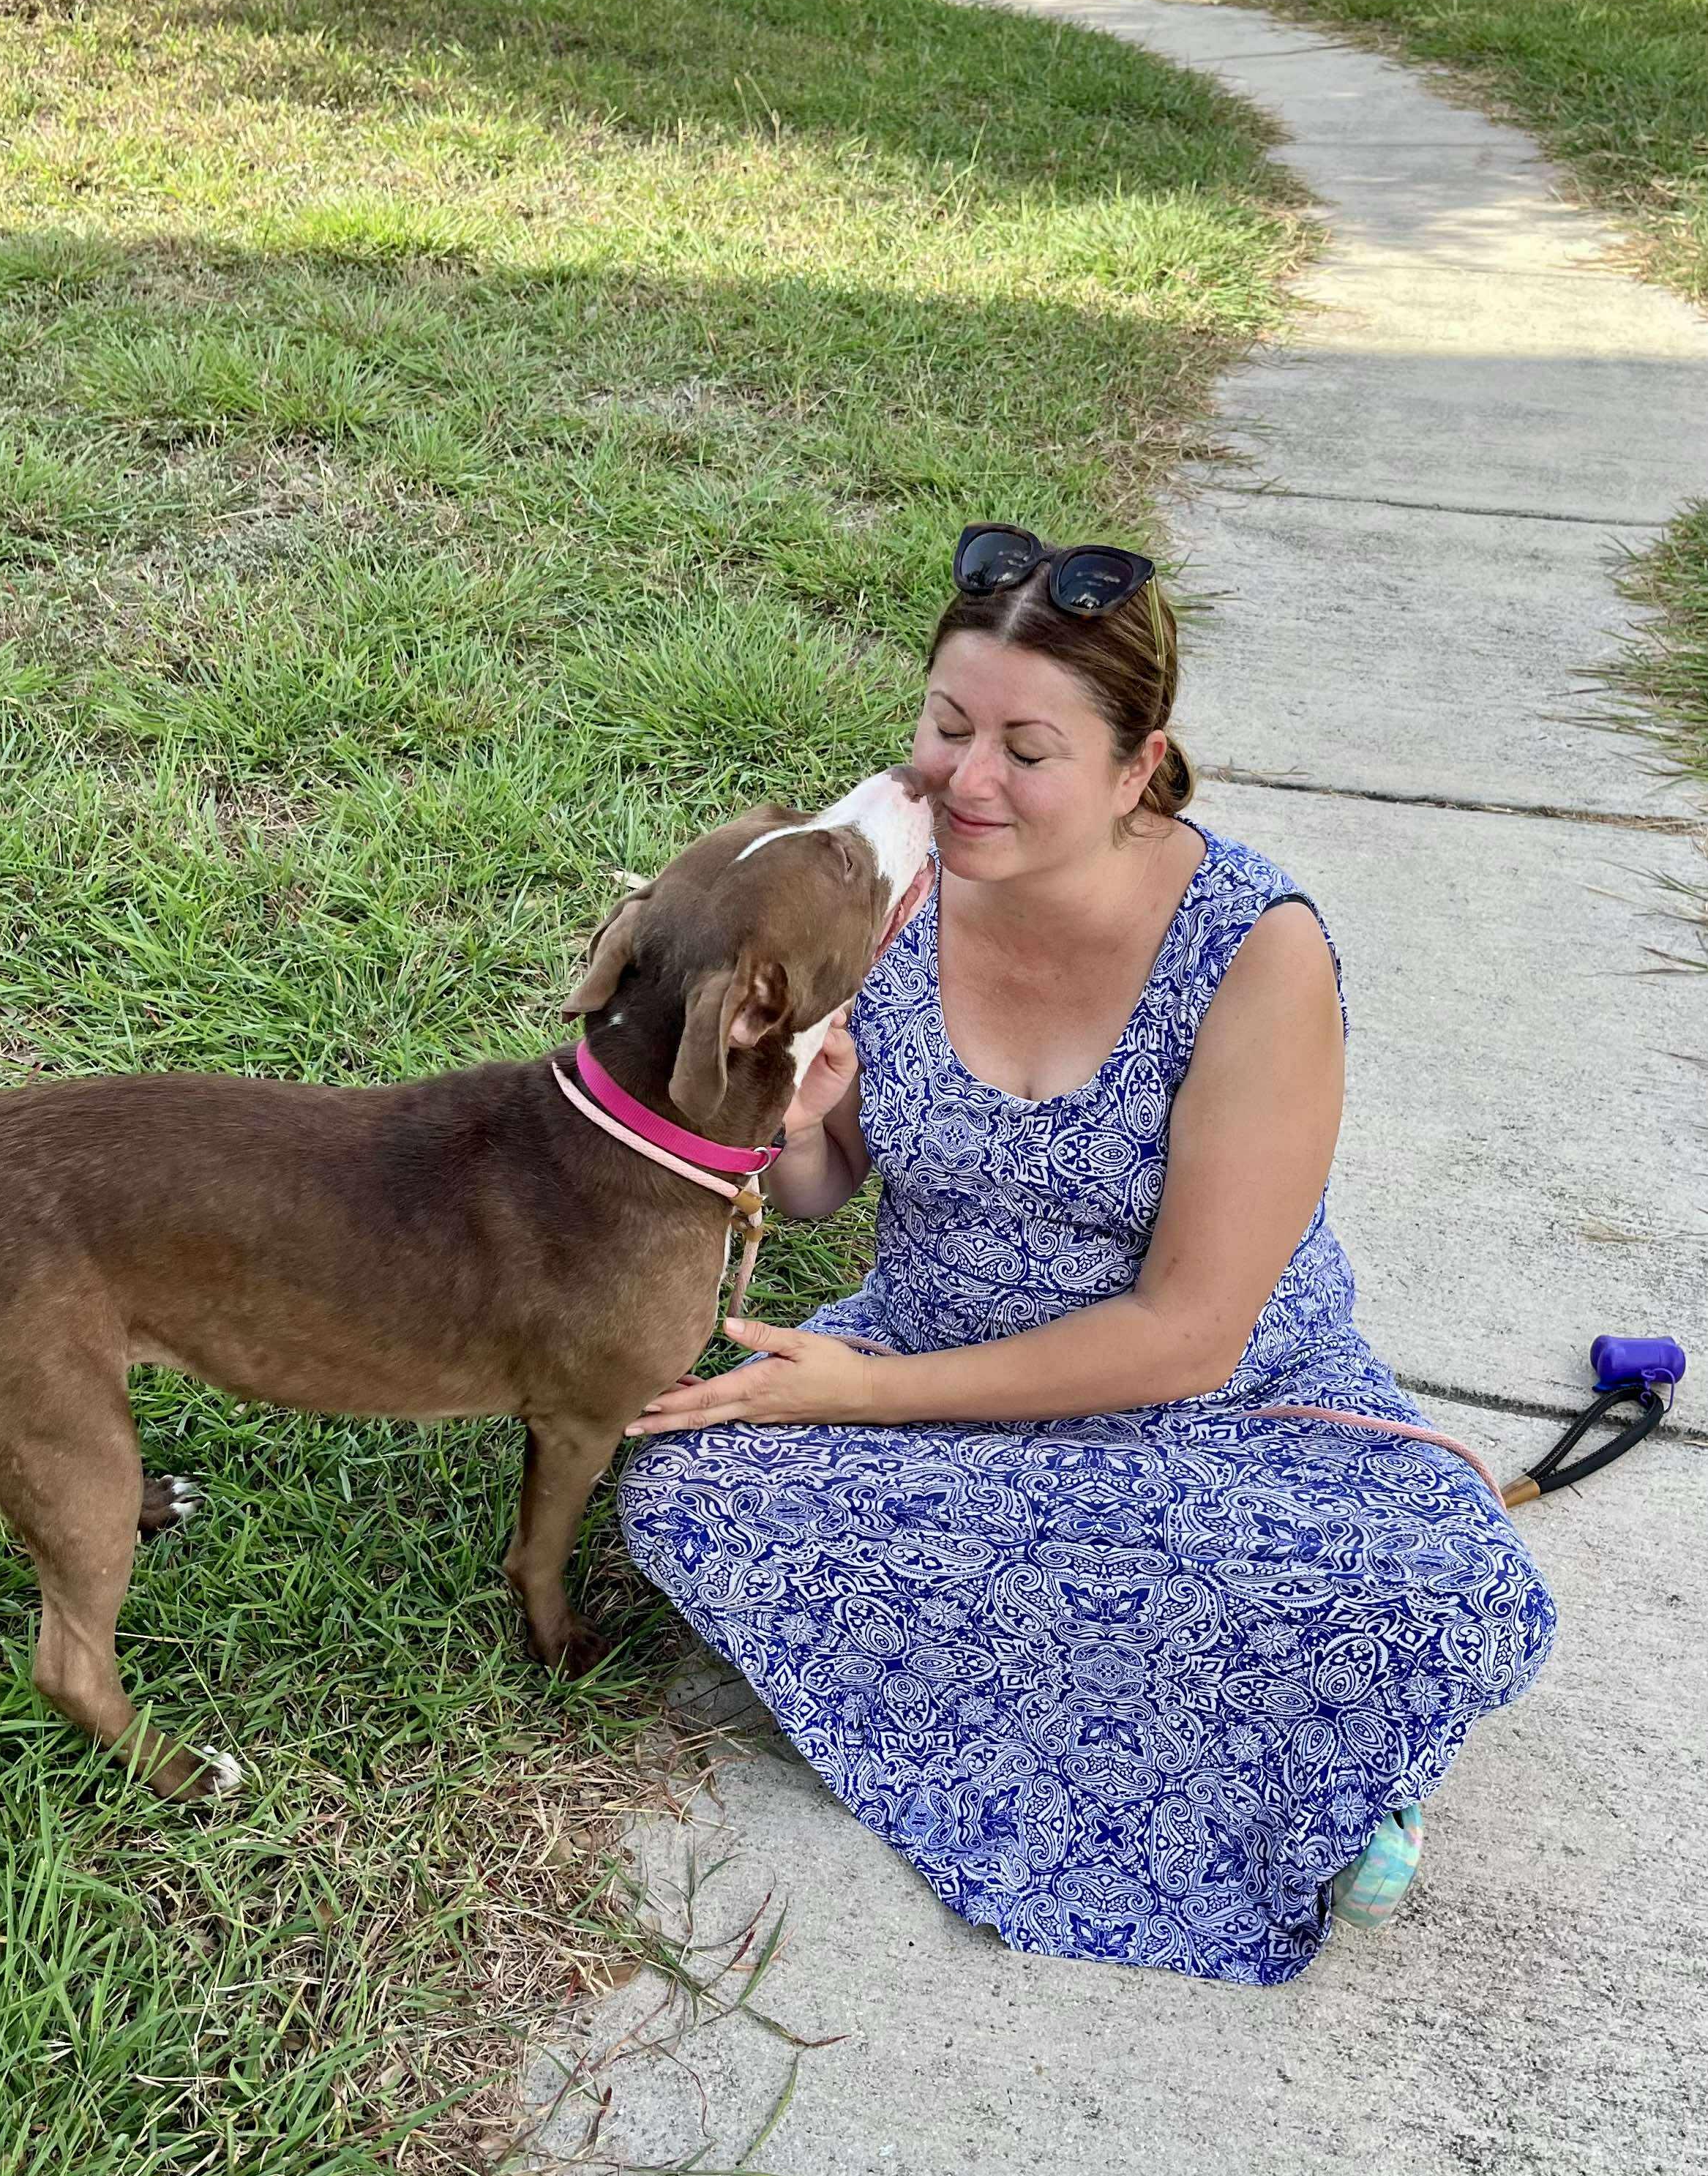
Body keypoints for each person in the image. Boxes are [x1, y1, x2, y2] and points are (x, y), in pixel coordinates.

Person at [614, 527, 1555, 1986]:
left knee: (1453, 1589)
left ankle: (1297, 1755)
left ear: (1137, 767)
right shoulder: (891, 894)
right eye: (946, 725)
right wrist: (785, 1123)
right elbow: (820, 1185)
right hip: (931, 1358)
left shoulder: (1255, 952)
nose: (965, 779)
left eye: (1027, 750)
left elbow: (1190, 1333)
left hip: (1216, 1410)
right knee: (683, 1492)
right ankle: (1274, 1733)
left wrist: (856, 1395)